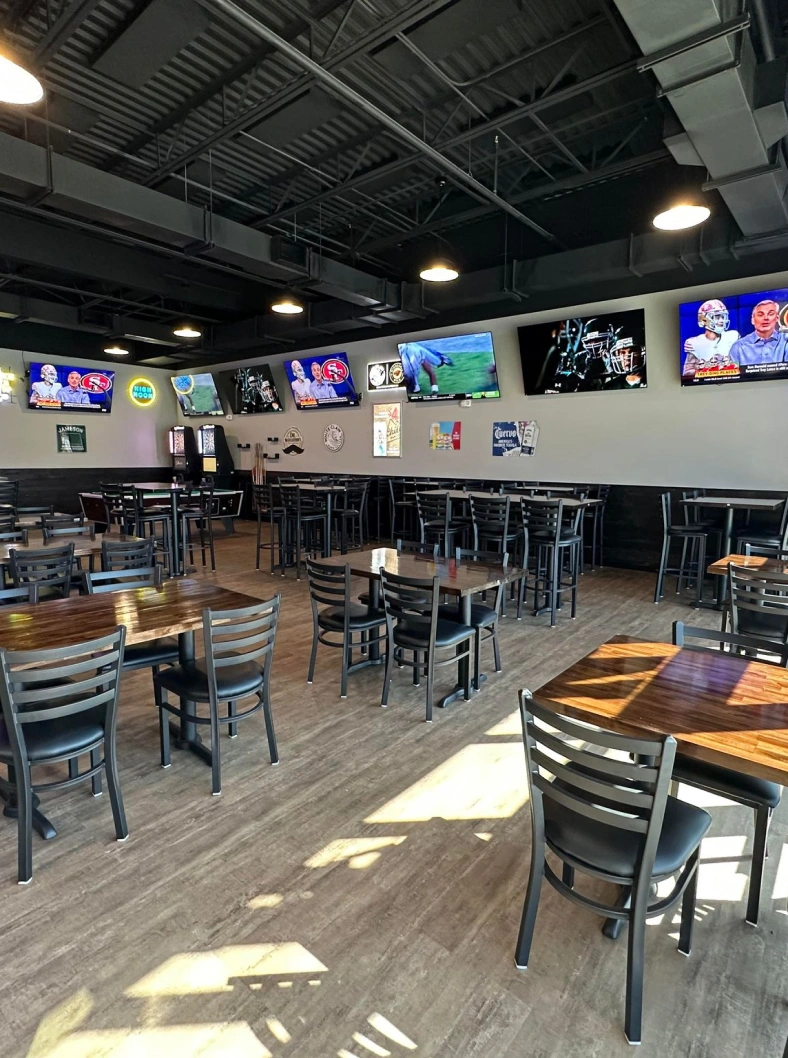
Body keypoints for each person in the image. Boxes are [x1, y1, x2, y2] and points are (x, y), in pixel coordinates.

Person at [682, 299, 739, 378]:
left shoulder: (733, 336)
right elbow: (686, 373)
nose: (721, 320)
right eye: (717, 317)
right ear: (704, 320)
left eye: (723, 316)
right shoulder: (694, 343)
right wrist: (707, 370)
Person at [729, 299, 788, 365]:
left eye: (770, 314)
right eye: (760, 314)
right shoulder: (738, 347)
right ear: (753, 320)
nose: (766, 318)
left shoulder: (785, 341)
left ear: (777, 318)